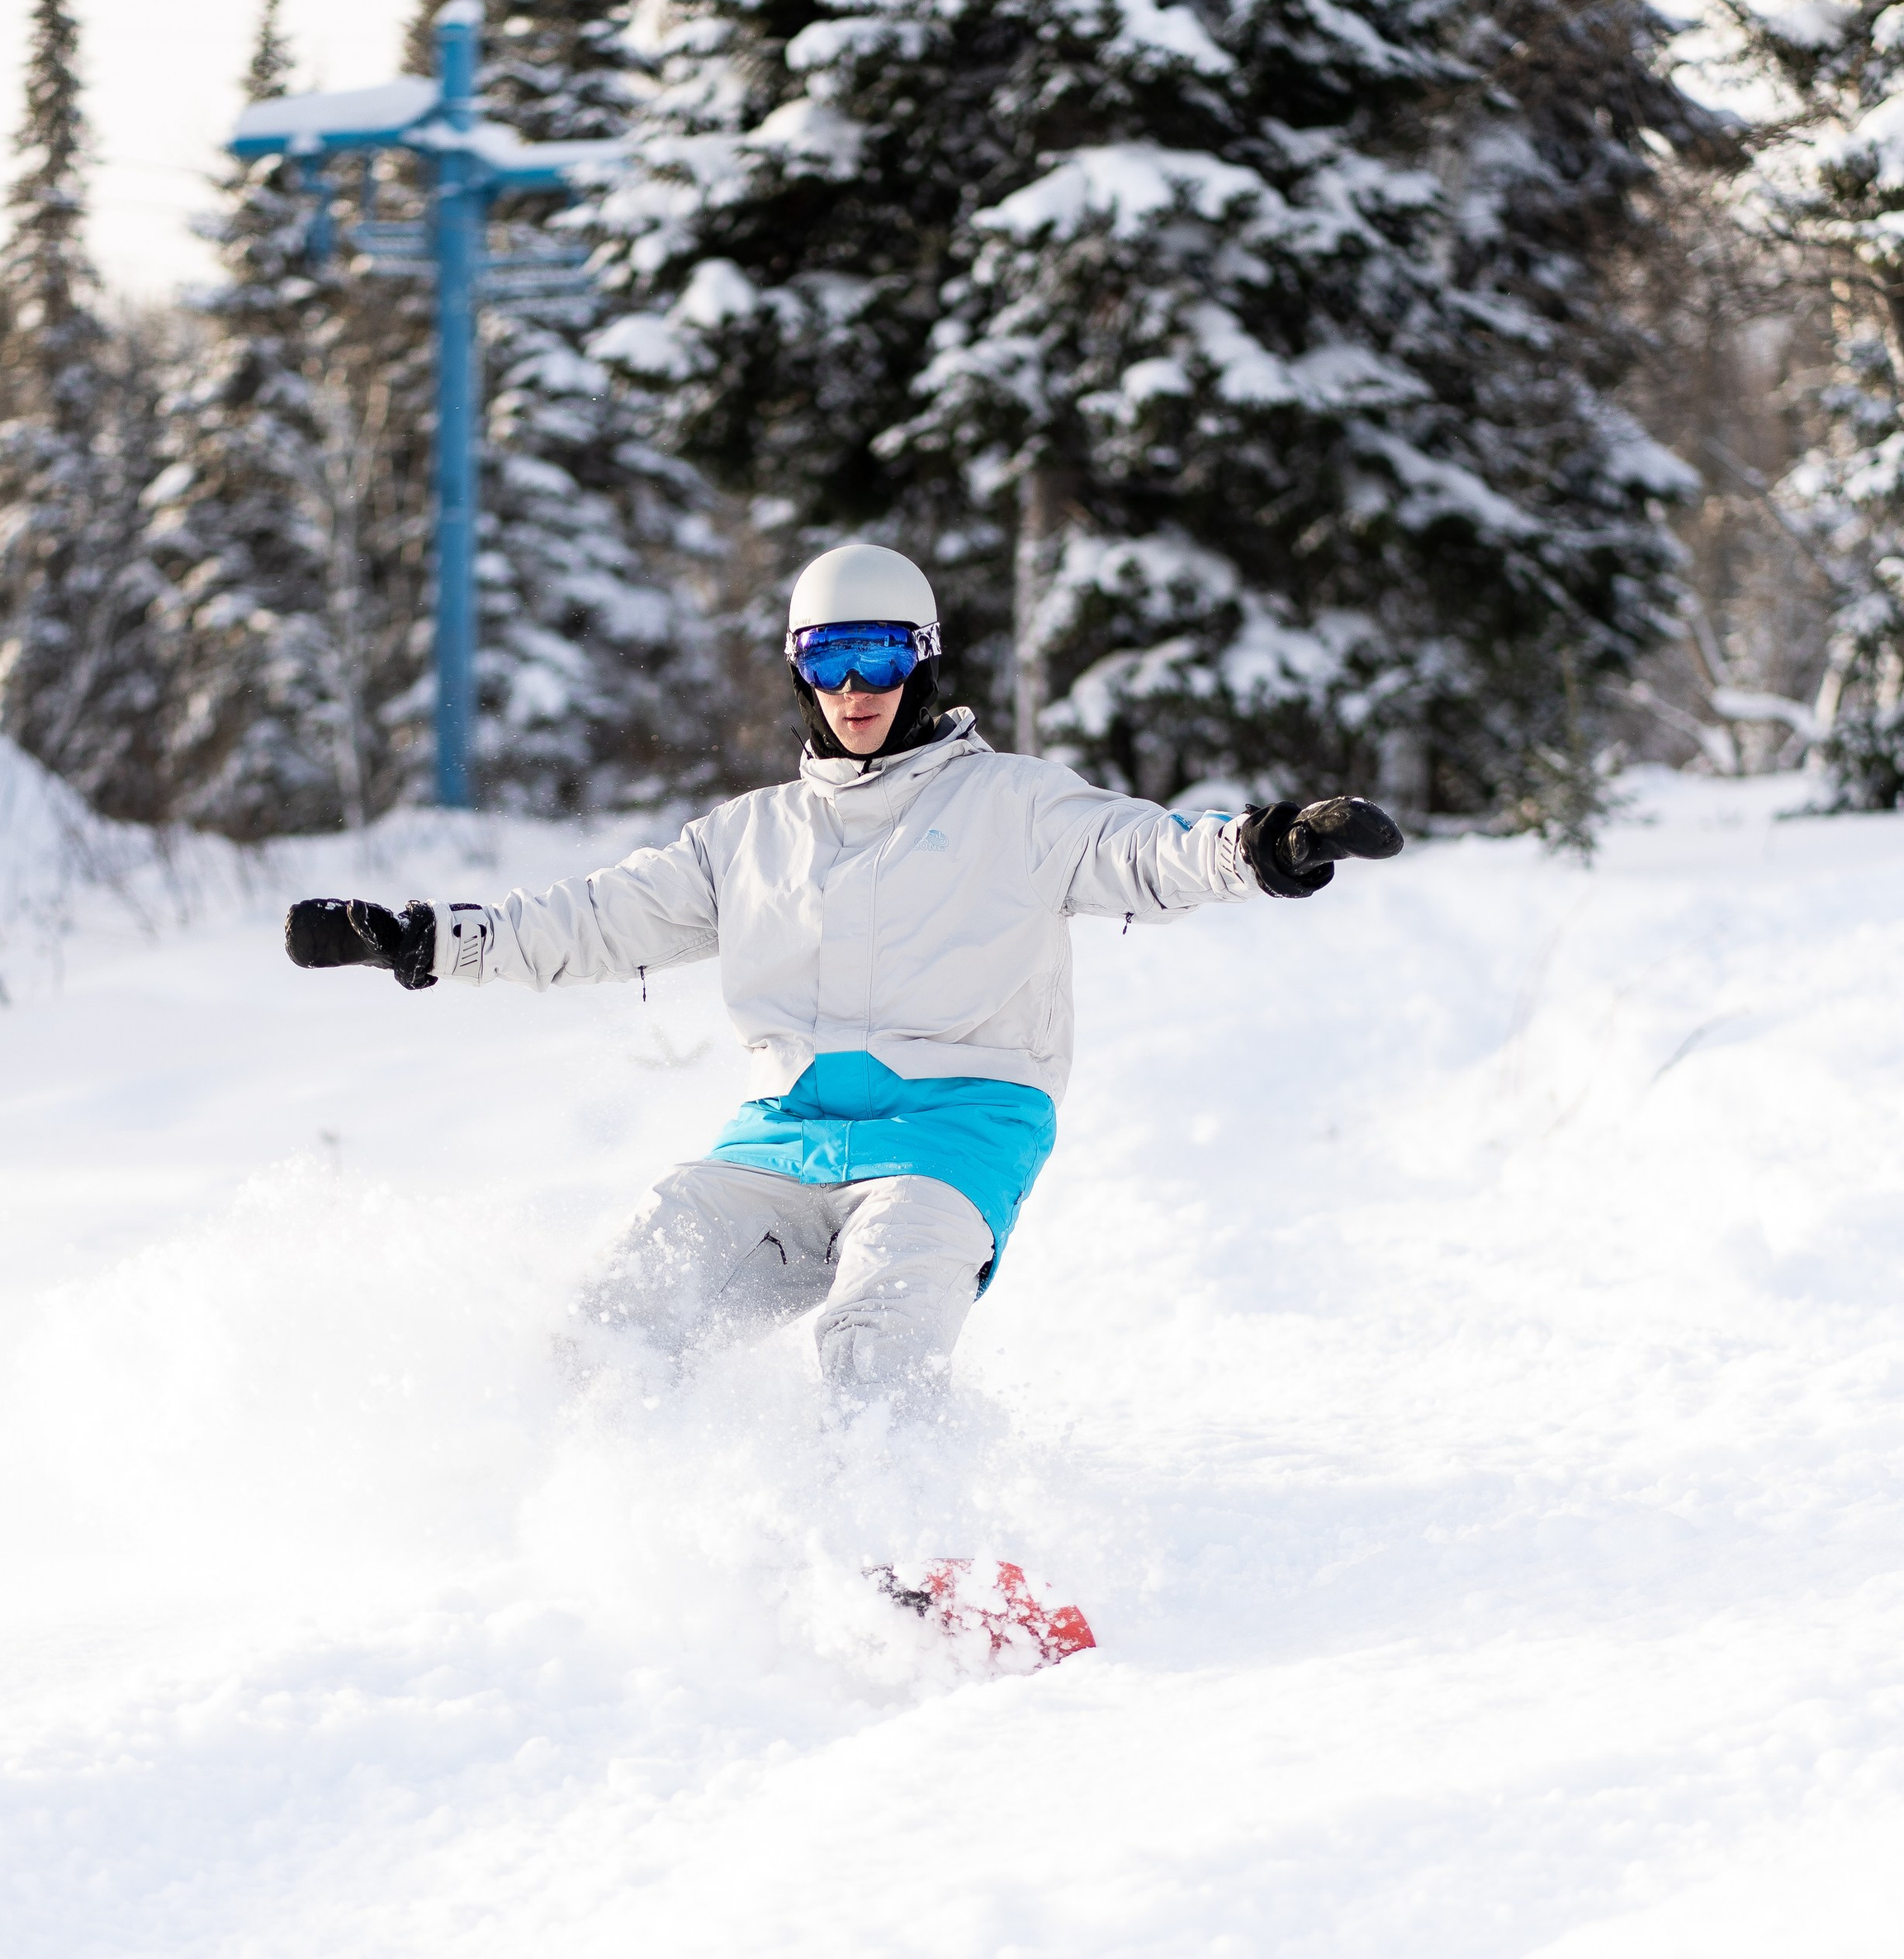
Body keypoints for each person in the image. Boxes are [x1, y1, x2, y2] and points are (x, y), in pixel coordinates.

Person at [286, 542, 1400, 1404]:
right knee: (615, 1310)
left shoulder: (1013, 804)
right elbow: (592, 921)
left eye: (877, 656)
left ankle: (909, 1552)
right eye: (827, 660)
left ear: (920, 659)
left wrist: (1266, 844)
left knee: (878, 1334)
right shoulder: (748, 836)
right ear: (799, 671)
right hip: (784, 1135)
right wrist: (421, 939)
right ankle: (604, 1517)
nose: (854, 686)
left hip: (957, 1130)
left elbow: (1147, 851)